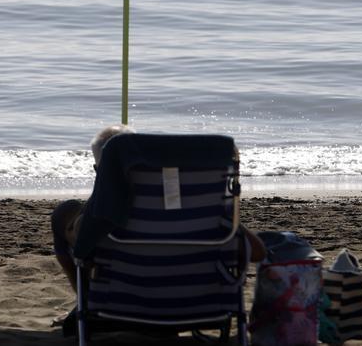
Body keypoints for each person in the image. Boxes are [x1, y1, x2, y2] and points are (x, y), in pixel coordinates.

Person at [51, 125, 264, 292]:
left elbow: (81, 247)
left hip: (124, 301)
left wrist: (103, 190)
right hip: (196, 302)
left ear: (98, 169)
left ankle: (84, 303)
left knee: (64, 214)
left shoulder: (97, 221)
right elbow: (257, 252)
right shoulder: (200, 208)